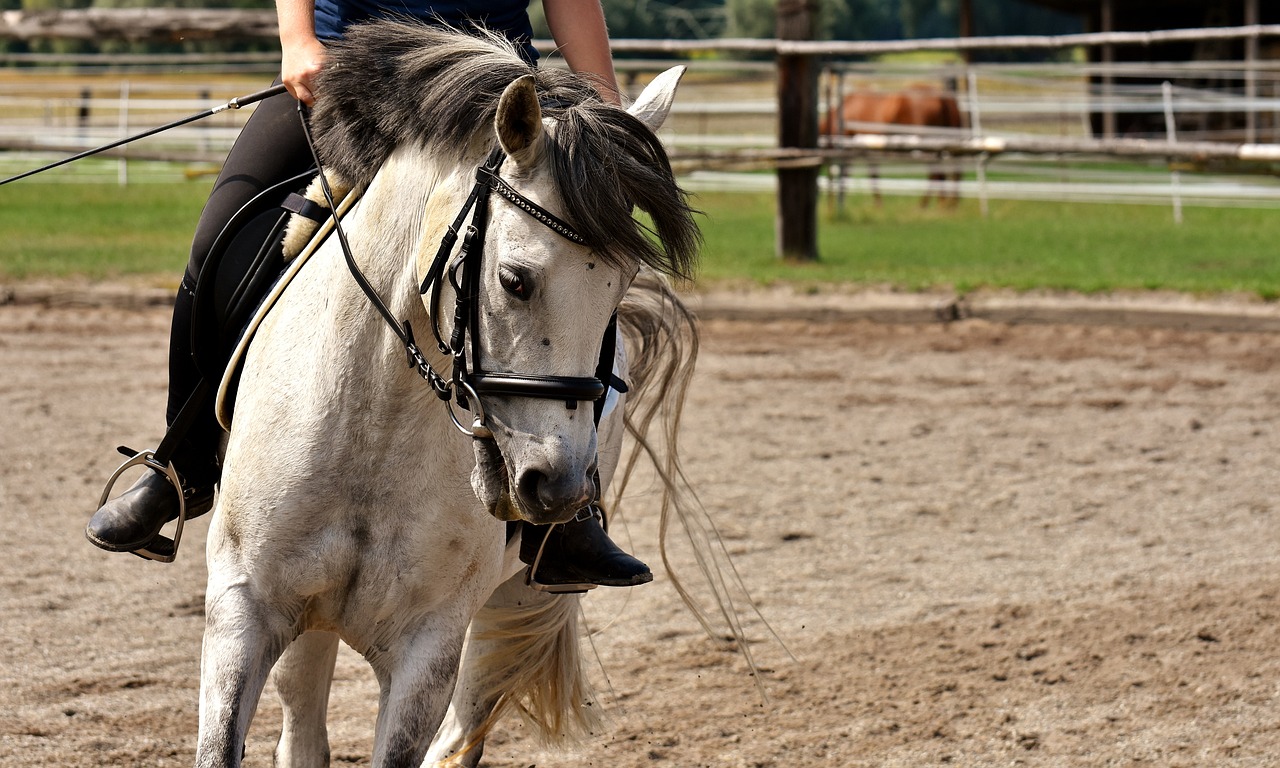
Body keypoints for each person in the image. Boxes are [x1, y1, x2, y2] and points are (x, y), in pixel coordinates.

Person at [85, 0, 652, 590]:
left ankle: (567, 516)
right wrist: (298, 40)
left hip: (494, 86)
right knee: (219, 243)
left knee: (579, 256)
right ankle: (182, 462)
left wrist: (605, 107)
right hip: (354, 72)